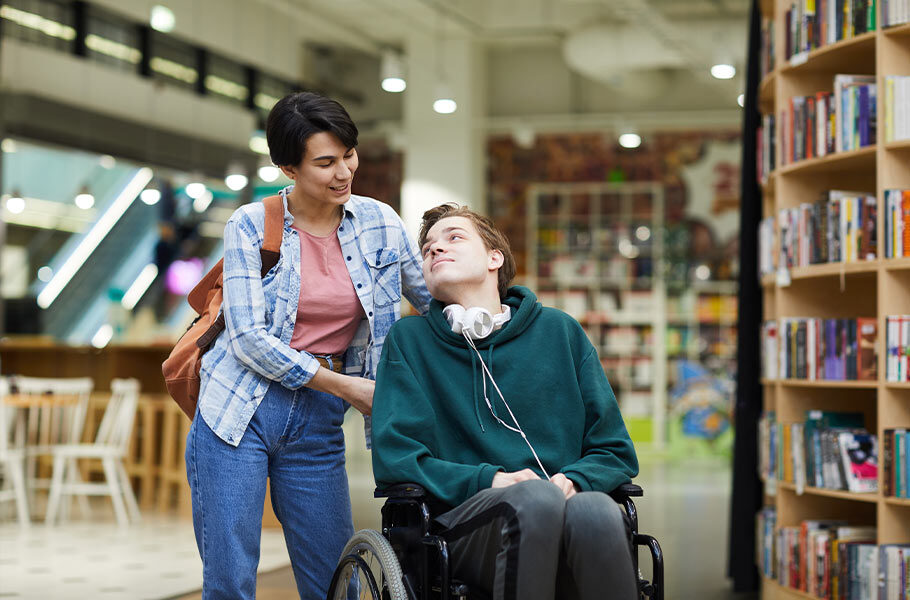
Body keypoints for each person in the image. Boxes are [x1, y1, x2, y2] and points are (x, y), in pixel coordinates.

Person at [185, 91, 431, 600]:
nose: (344, 172)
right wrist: (348, 387)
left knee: (335, 578)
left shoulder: (380, 222)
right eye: (325, 162)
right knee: (230, 579)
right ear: (287, 167)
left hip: (318, 419)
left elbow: (432, 299)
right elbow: (249, 339)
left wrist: (500, 311)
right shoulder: (250, 225)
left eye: (349, 155)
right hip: (238, 410)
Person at [371, 203, 639, 600]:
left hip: (563, 512)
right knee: (534, 500)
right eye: (427, 248)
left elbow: (614, 451)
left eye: (454, 237)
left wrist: (575, 481)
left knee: (598, 510)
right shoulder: (409, 342)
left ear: (495, 257)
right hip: (464, 530)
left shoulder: (559, 332)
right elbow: (397, 457)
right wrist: (491, 480)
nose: (435, 250)